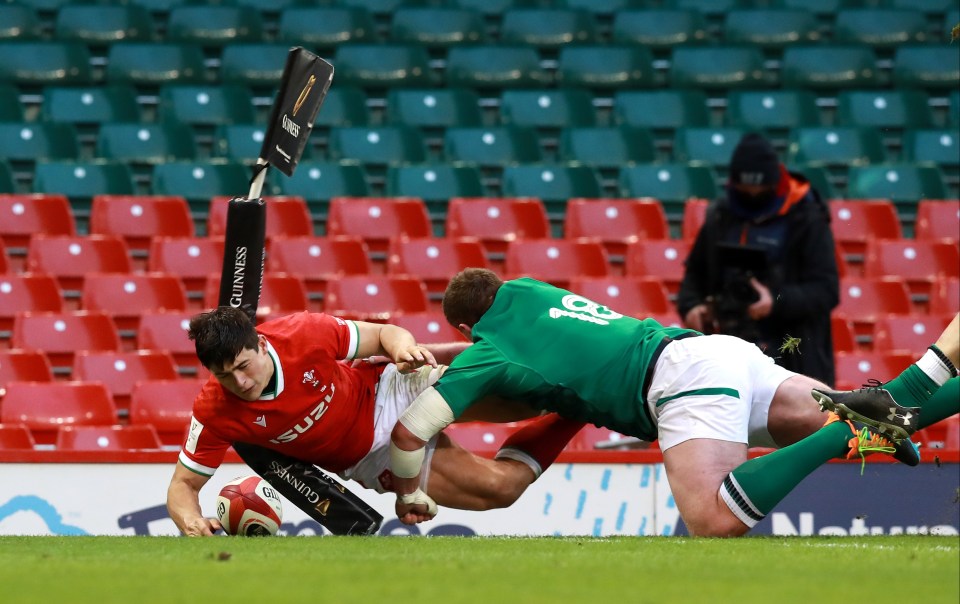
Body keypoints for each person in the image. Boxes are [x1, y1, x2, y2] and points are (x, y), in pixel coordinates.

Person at [387, 269, 960, 536]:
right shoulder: (527, 293)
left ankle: (859, 426)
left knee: (712, 519)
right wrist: (416, 348)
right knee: (811, 418)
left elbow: (415, 430)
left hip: (679, 384)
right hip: (717, 353)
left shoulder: (487, 355)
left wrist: (409, 491)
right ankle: (887, 404)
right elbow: (498, 344)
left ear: (468, 328)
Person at [166, 307, 584, 536]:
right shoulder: (214, 410)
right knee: (500, 489)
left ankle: (591, 387)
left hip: (388, 391)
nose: (239, 382)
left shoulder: (303, 333)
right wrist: (191, 519)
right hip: (369, 458)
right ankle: (579, 415)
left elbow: (385, 334)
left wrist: (403, 349)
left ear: (260, 343)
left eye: (243, 366)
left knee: (522, 400)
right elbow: (183, 486)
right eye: (224, 375)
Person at [677, 132, 840, 386]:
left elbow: (826, 291)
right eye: (745, 192)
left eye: (759, 192)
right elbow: (695, 274)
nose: (752, 197)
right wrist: (692, 307)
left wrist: (774, 301)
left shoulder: (807, 218)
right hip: (725, 353)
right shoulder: (720, 215)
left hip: (793, 357)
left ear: (775, 184)